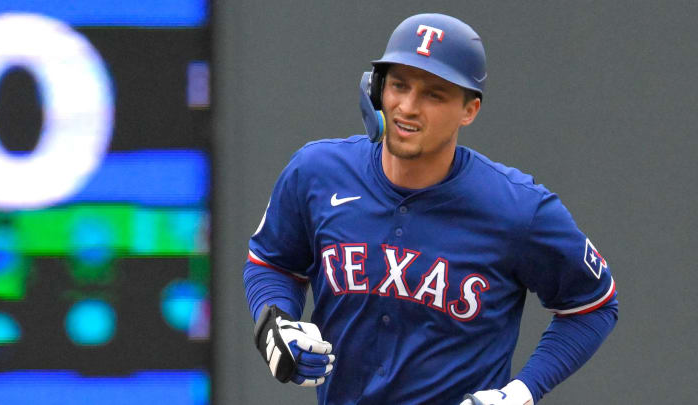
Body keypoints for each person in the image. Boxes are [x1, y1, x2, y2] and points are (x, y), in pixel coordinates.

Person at [244, 13, 617, 405]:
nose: (408, 106)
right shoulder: (317, 172)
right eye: (399, 85)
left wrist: (521, 392)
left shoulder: (518, 208)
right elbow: (273, 263)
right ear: (375, 90)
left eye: (433, 94)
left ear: (469, 110)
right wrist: (278, 323)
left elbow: (593, 305)